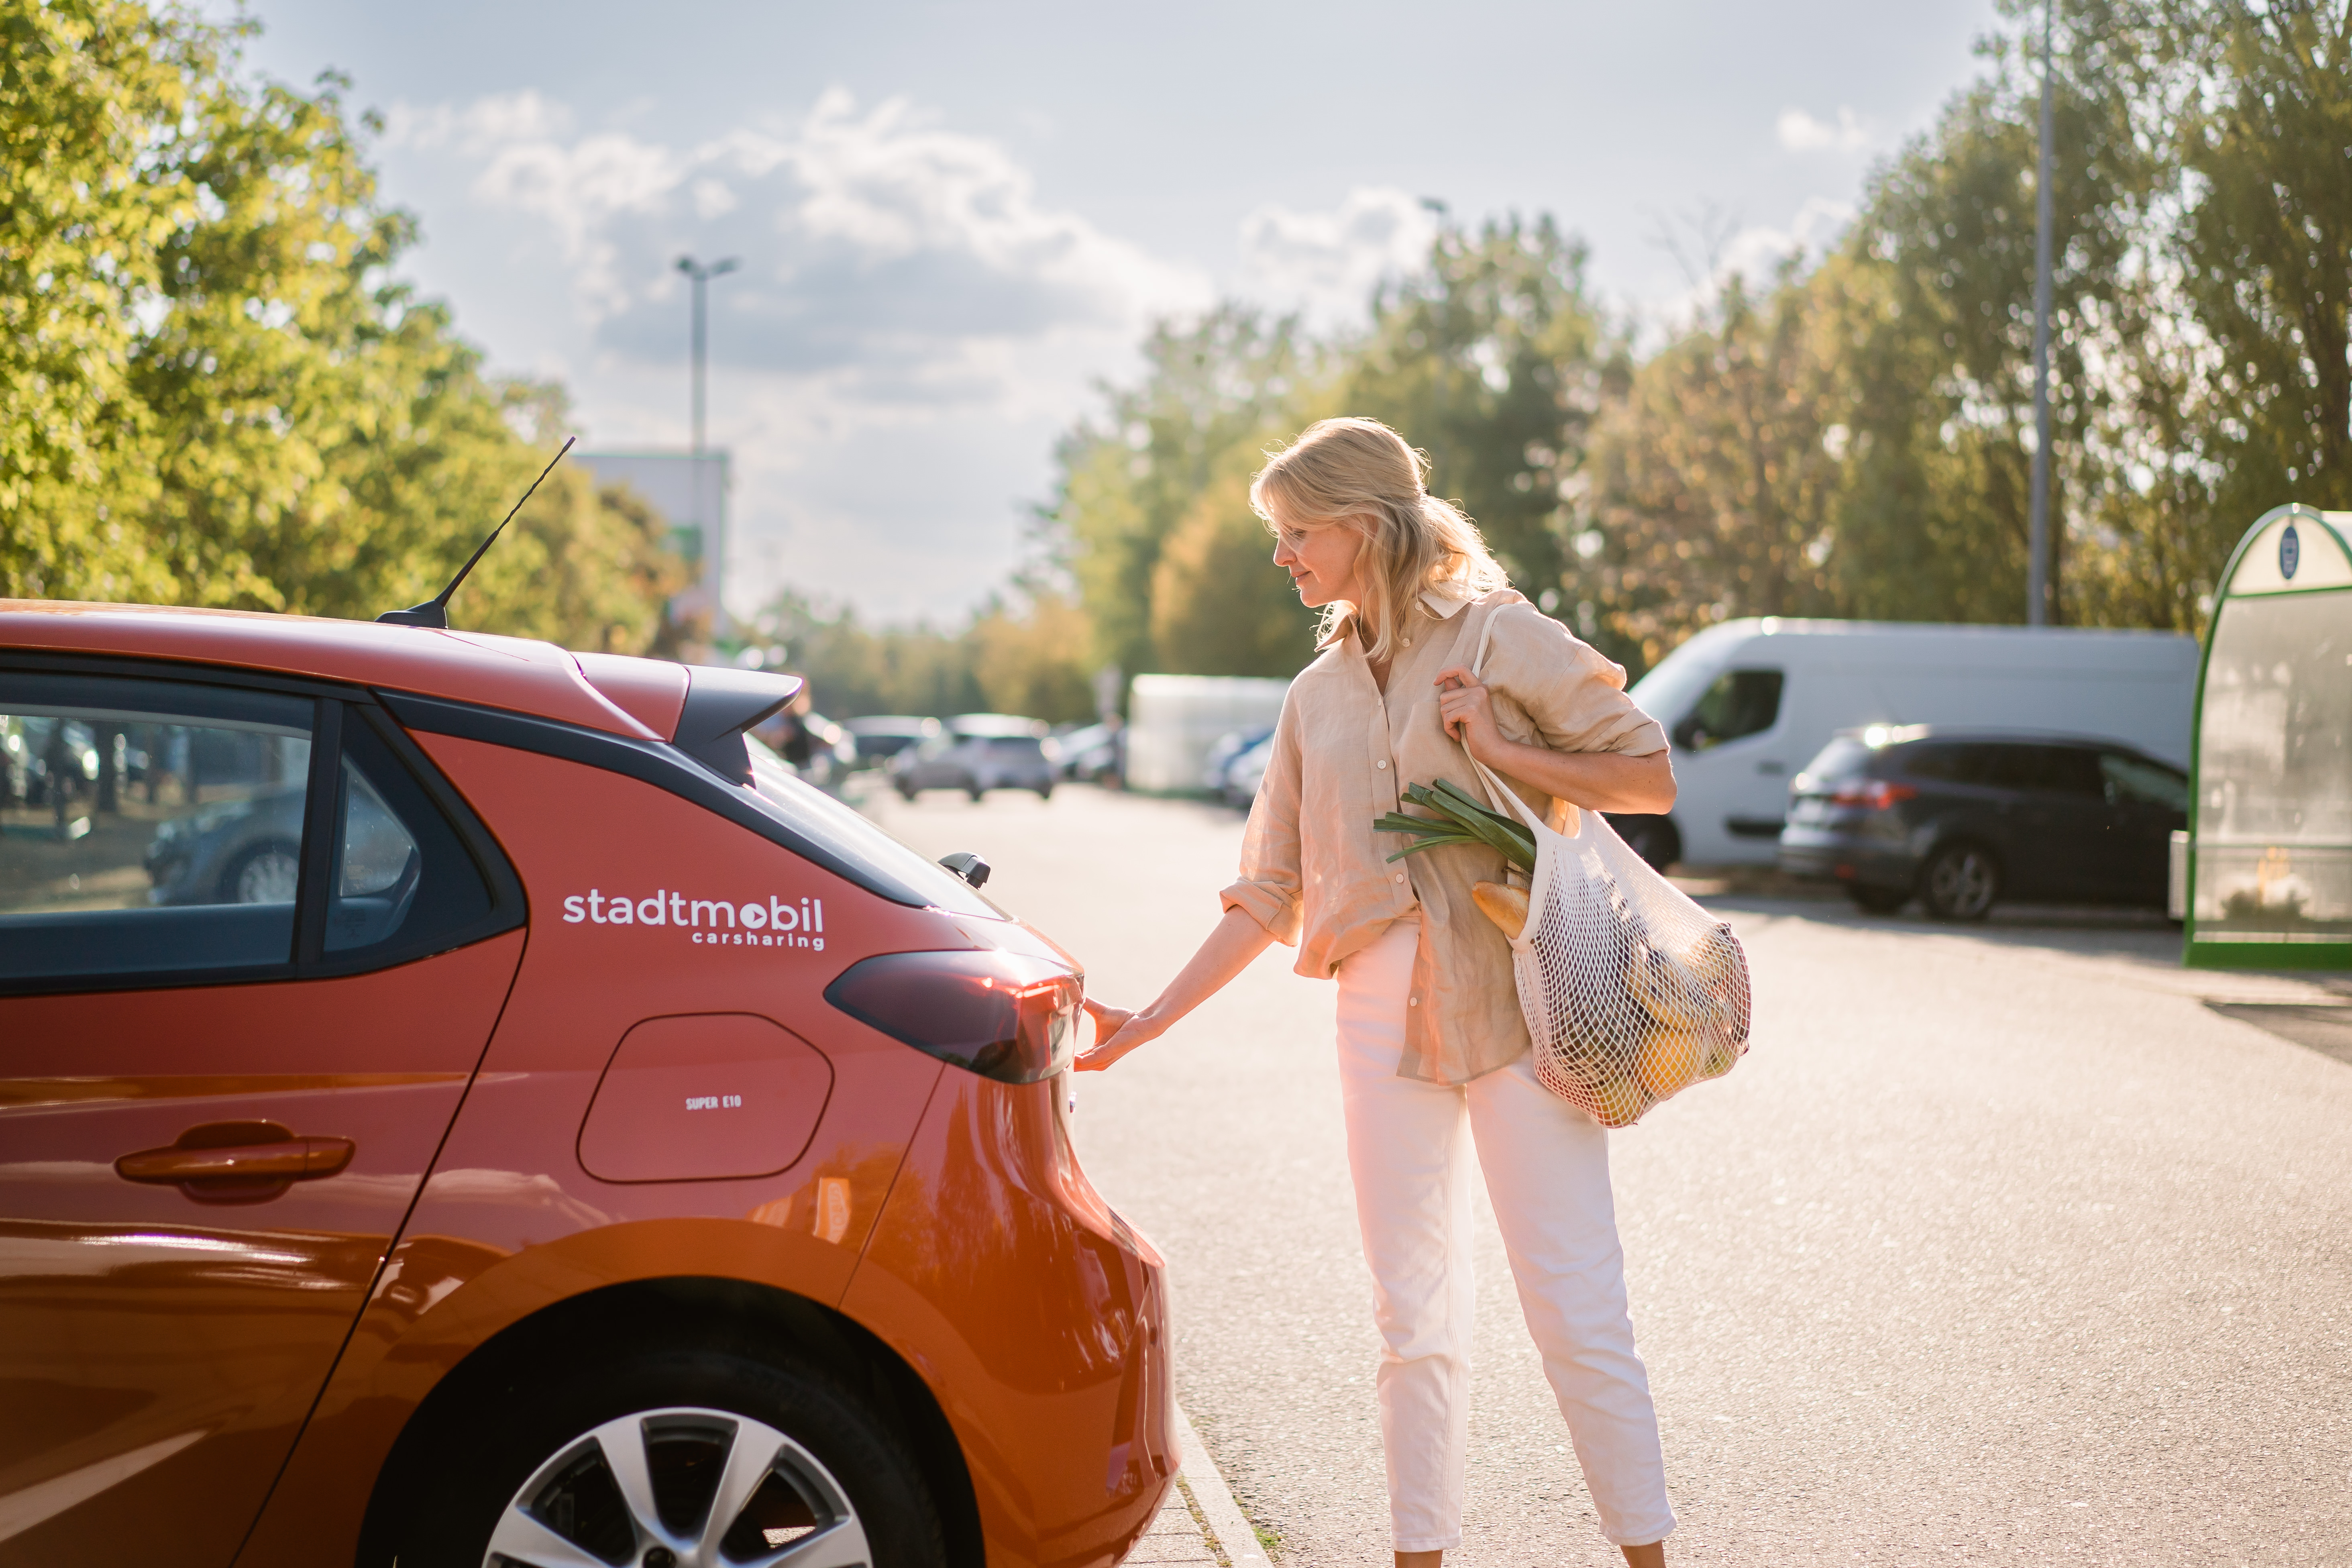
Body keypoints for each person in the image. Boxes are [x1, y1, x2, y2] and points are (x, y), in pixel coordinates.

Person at [1078, 418, 1680, 1567]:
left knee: (1574, 1308)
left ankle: (1646, 1556)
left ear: (1361, 526)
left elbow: (1645, 770)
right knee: (1410, 1320)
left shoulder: (1501, 636)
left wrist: (1507, 749)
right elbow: (1266, 890)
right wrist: (1143, 1022)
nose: (1282, 558)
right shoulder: (1315, 696)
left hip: (1522, 1008)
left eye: (1296, 533)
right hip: (1373, 1020)